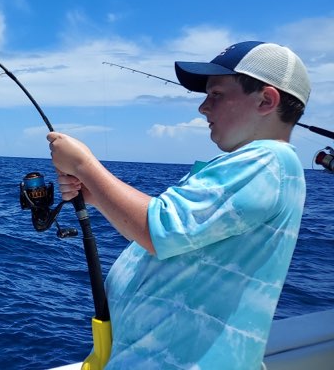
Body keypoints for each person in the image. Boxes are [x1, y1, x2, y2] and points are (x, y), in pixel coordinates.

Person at [48, 41, 310, 369]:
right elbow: (176, 230)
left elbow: (159, 228)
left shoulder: (269, 161)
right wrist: (95, 194)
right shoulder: (252, 166)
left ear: (266, 100)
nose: (203, 108)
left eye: (216, 94)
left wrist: (85, 165)